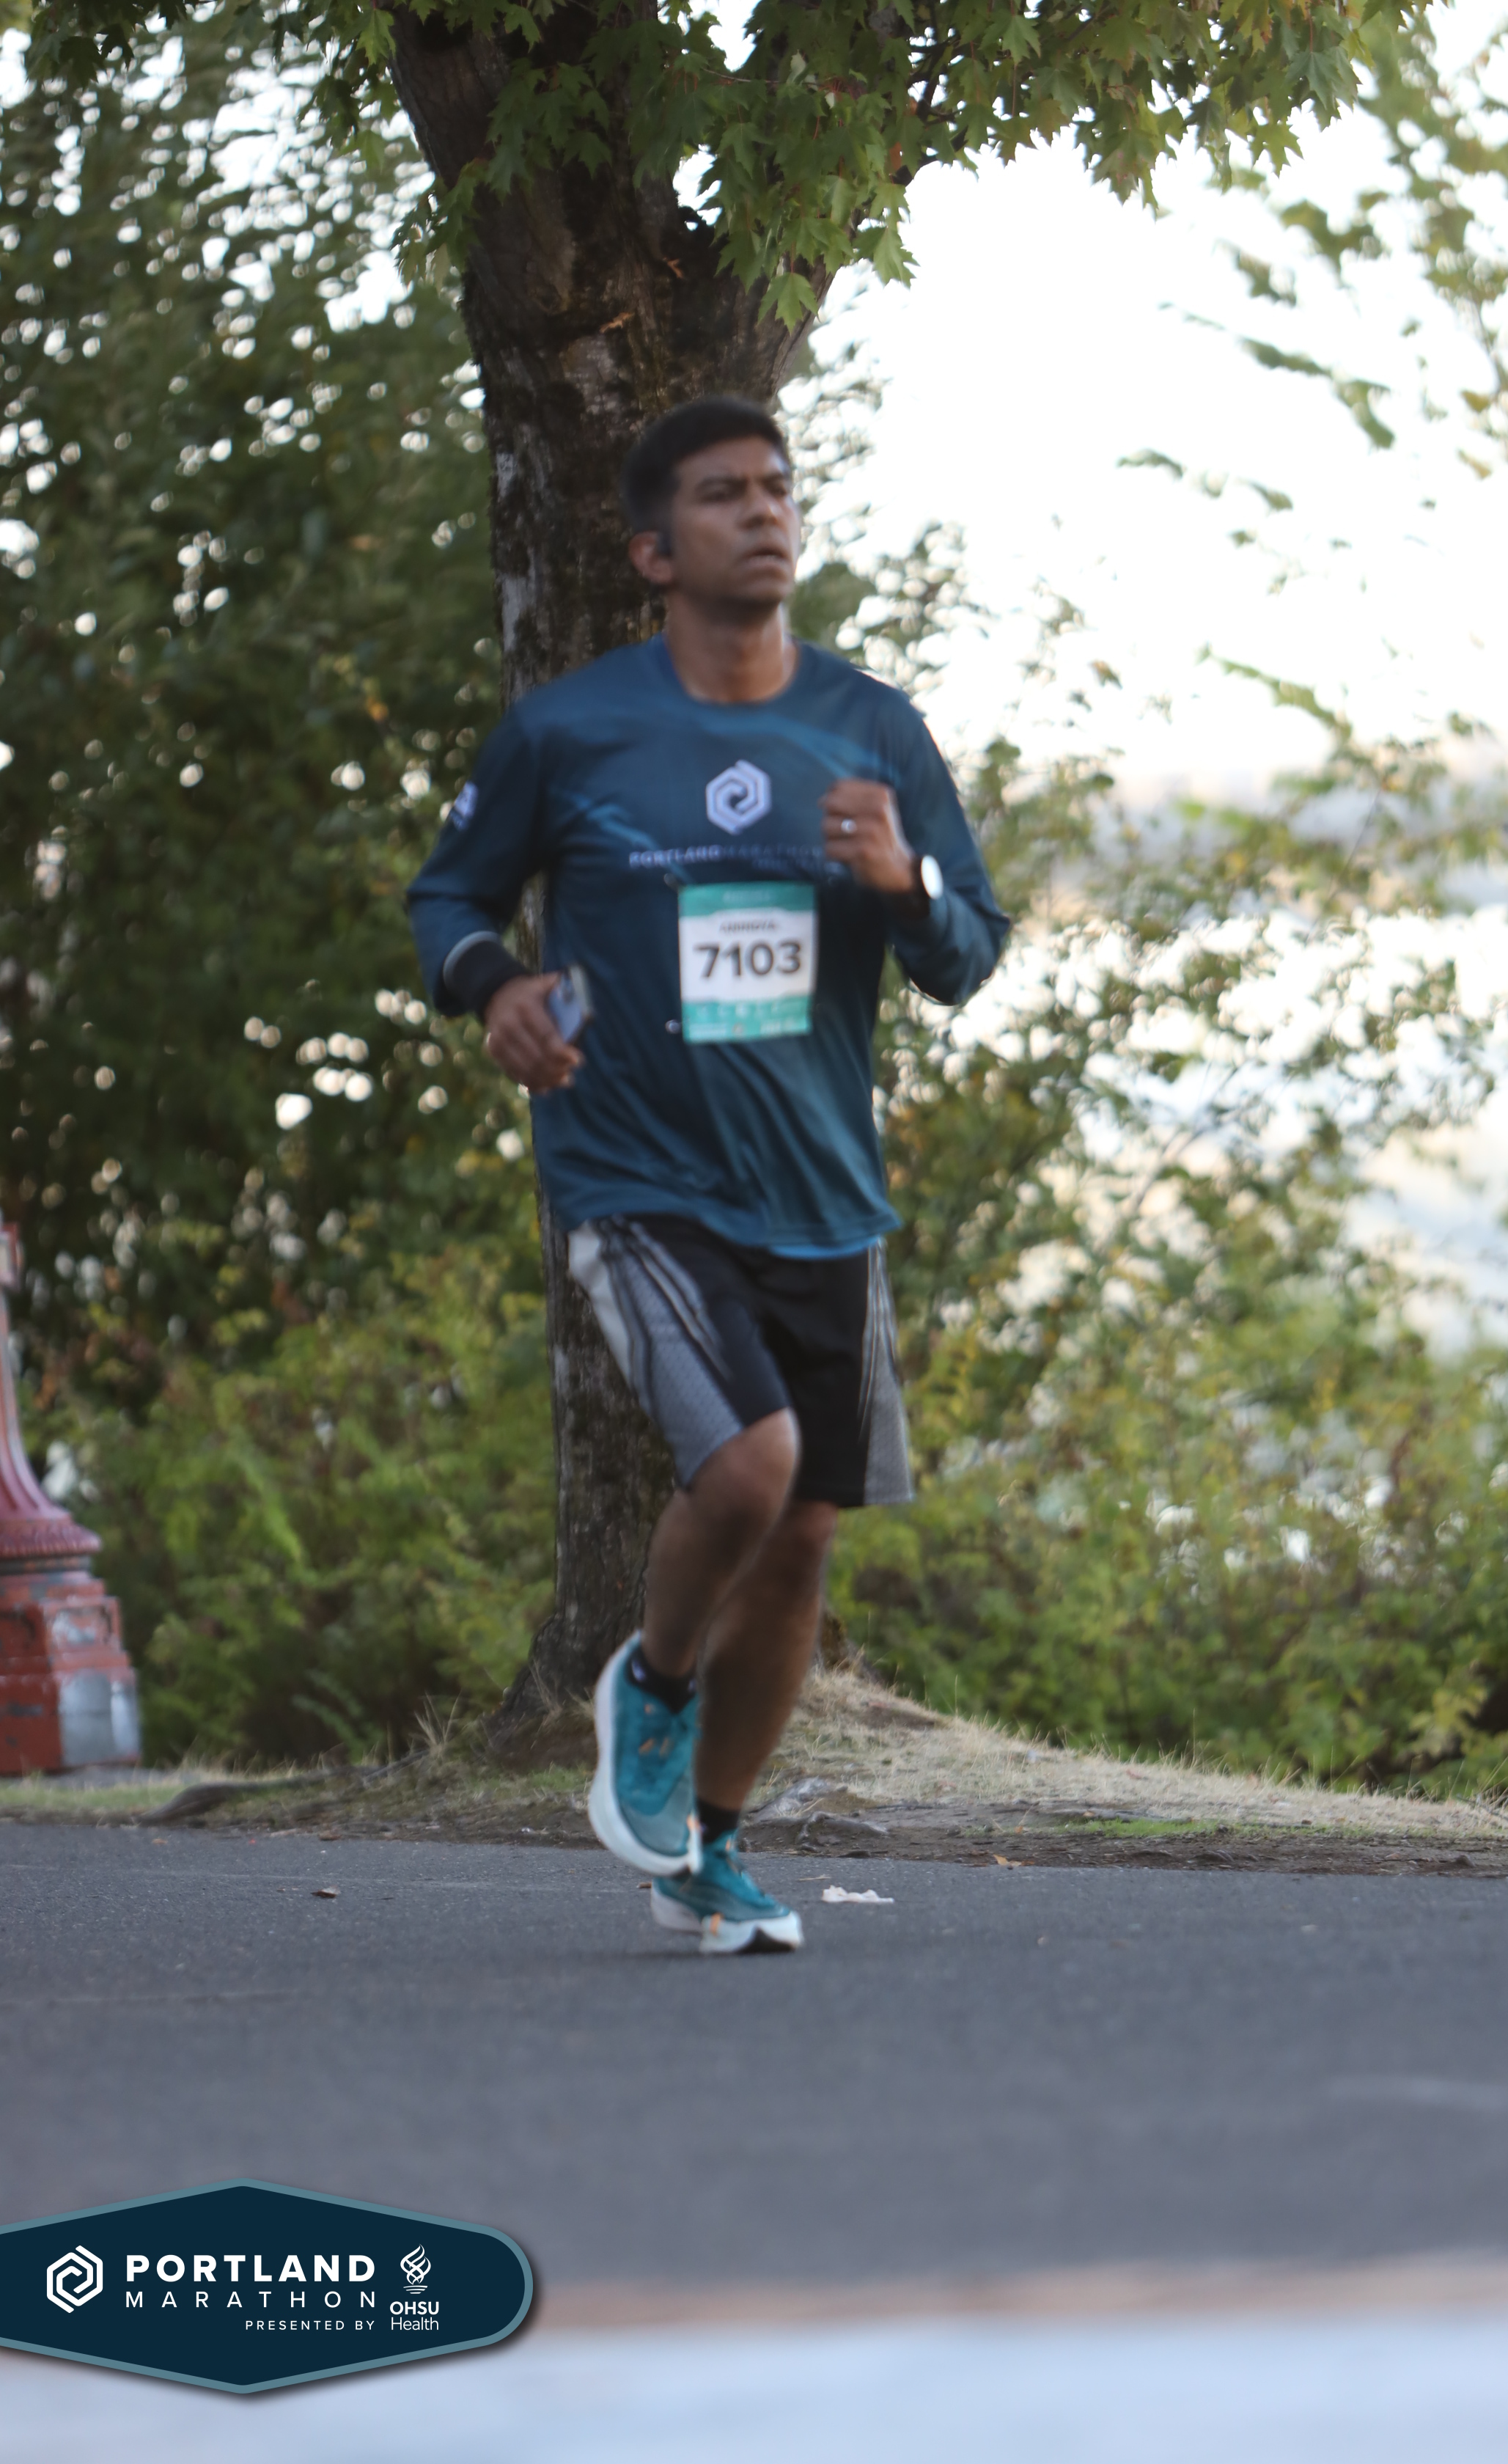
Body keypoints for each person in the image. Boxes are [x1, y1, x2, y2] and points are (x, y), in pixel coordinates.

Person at [409, 397, 1008, 1954]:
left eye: (778, 489)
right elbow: (449, 898)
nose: (764, 512)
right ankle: (654, 1684)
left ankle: (712, 1849)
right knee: (748, 1469)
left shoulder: (870, 728)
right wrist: (496, 987)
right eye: (725, 494)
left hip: (821, 1191)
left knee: (802, 1533)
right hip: (633, 1174)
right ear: (652, 552)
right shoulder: (572, 730)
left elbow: (968, 950)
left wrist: (905, 883)